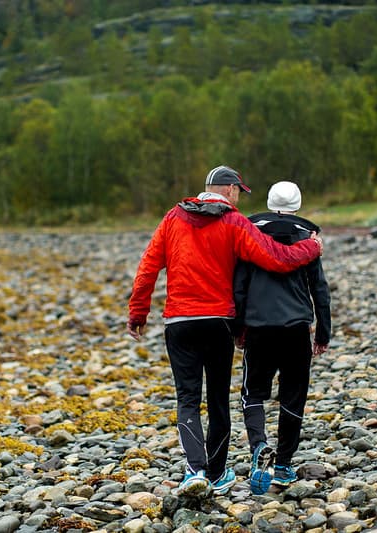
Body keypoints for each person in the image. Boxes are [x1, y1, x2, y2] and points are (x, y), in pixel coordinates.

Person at [127, 166, 324, 499]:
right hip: (218, 321)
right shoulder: (234, 222)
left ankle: (195, 471)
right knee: (218, 400)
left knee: (188, 399)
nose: (239, 198)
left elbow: (148, 266)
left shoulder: (173, 218)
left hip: (179, 322)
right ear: (231, 190)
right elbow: (277, 258)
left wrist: (138, 312)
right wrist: (311, 248)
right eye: (239, 192)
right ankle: (217, 474)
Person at [233, 181, 331, 495]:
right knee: (293, 396)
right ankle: (284, 465)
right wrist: (323, 332)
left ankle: (259, 446)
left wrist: (237, 329)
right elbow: (319, 290)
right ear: (297, 205)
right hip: (296, 328)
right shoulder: (309, 240)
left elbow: (239, 287)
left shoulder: (249, 234)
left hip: (259, 327)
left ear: (269, 201)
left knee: (252, 393)